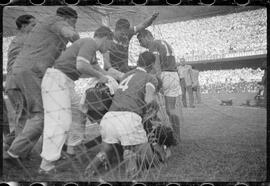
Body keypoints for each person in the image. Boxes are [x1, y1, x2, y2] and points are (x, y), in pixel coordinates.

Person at [4, 7, 80, 165]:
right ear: (68, 18)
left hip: (26, 72)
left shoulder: (47, 30)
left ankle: (18, 152)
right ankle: (14, 153)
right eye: (74, 22)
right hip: (31, 73)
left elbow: (61, 52)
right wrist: (82, 43)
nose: (75, 25)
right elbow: (70, 34)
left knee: (32, 116)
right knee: (40, 116)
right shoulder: (57, 21)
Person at [39, 26, 114, 173]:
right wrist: (100, 77)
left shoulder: (91, 52)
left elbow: (100, 70)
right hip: (56, 79)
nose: (108, 48)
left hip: (66, 82)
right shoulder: (90, 43)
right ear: (106, 38)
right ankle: (46, 165)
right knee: (59, 120)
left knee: (79, 111)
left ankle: (71, 150)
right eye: (110, 44)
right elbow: (81, 66)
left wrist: (117, 76)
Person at [84, 51, 160, 178]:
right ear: (151, 65)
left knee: (107, 148)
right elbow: (149, 99)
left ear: (137, 62)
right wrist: (155, 107)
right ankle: (130, 156)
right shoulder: (150, 78)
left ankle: (96, 161)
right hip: (129, 118)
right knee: (151, 160)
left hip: (109, 118)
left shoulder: (126, 75)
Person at [137, 29, 182, 143]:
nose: (141, 44)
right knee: (170, 109)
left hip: (164, 75)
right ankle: (177, 136)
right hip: (174, 75)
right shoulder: (164, 42)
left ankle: (151, 133)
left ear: (147, 36)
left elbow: (156, 65)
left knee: (150, 103)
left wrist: (157, 80)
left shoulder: (153, 44)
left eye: (140, 40)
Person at [4, 14, 36, 149]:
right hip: (17, 84)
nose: (36, 28)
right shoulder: (25, 40)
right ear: (23, 26)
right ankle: (14, 152)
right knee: (23, 117)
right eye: (33, 25)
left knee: (25, 116)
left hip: (18, 82)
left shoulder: (22, 39)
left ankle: (10, 143)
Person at [103, 12, 159, 81]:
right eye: (122, 34)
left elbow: (143, 25)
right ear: (116, 30)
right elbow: (107, 66)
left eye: (126, 34)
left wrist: (152, 17)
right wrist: (121, 75)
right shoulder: (107, 40)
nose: (124, 36)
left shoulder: (128, 33)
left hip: (124, 69)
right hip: (112, 73)